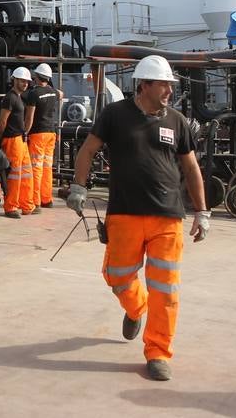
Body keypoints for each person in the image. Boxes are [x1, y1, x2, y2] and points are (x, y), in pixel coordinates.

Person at [67, 55, 209, 381]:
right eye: (163, 84)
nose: (169, 91)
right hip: (124, 213)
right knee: (117, 276)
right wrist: (78, 187)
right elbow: (88, 150)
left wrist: (202, 211)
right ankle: (136, 308)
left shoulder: (177, 121)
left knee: (166, 289)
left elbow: (190, 168)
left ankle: (158, 352)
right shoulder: (114, 115)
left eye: (171, 85)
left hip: (167, 217)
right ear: (143, 84)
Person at [24, 63, 64, 210]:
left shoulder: (33, 94)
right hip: (51, 133)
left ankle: (35, 201)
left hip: (38, 134)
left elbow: (29, 117)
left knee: (36, 168)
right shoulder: (54, 92)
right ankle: (47, 199)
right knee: (47, 167)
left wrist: (25, 132)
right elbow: (61, 94)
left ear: (35, 77)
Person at [0, 66, 36, 217]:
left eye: (26, 81)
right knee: (14, 176)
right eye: (21, 81)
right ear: (14, 80)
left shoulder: (18, 97)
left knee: (26, 174)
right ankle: (11, 207)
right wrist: (1, 138)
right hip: (13, 140)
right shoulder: (10, 97)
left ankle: (26, 205)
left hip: (21, 139)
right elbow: (2, 121)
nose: (25, 84)